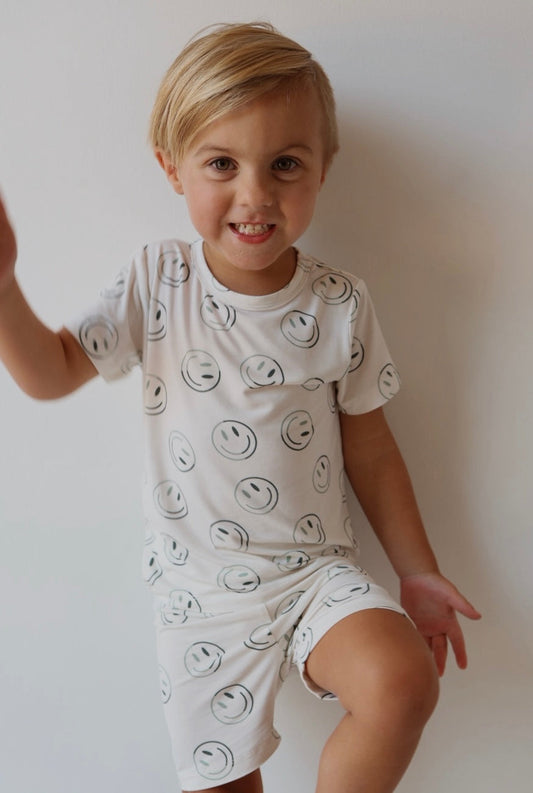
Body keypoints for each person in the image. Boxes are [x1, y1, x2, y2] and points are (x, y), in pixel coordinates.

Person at [0, 22, 480, 793]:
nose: (255, 195)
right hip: (203, 597)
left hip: (315, 575)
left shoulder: (338, 303)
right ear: (171, 167)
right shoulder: (157, 281)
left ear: (322, 167)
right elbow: (50, 373)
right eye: (221, 163)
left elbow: (371, 447)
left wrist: (416, 570)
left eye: (285, 164)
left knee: (399, 681)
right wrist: (4, 287)